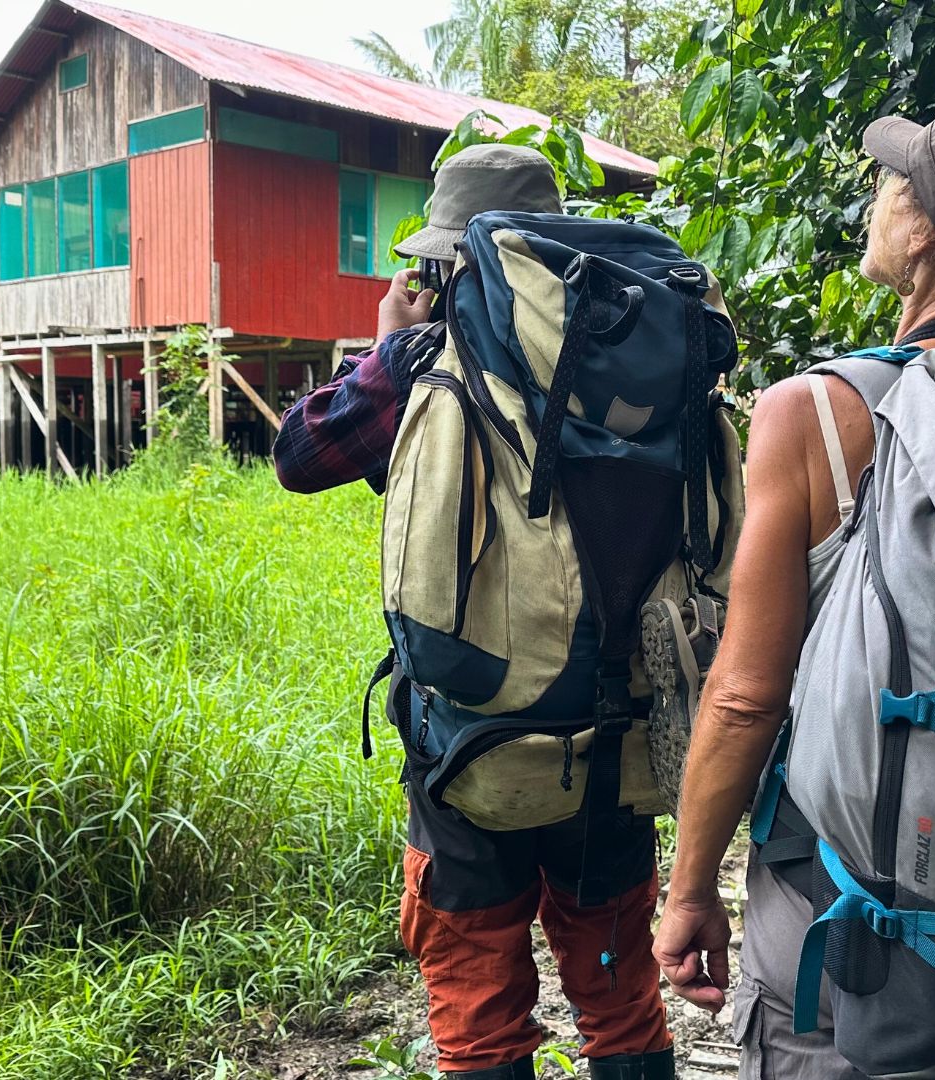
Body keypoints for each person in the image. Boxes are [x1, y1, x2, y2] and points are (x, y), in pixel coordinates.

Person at [652, 94, 935, 1077]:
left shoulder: (818, 413)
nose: (877, 194)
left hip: (856, 934)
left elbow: (743, 696)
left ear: (924, 235)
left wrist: (691, 889)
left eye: (892, 182)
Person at [274, 143, 676, 1080]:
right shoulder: (637, 351)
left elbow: (301, 456)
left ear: (442, 262)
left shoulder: (423, 361)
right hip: (612, 730)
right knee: (620, 1004)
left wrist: (385, 344)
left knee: (479, 1015)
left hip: (467, 740)